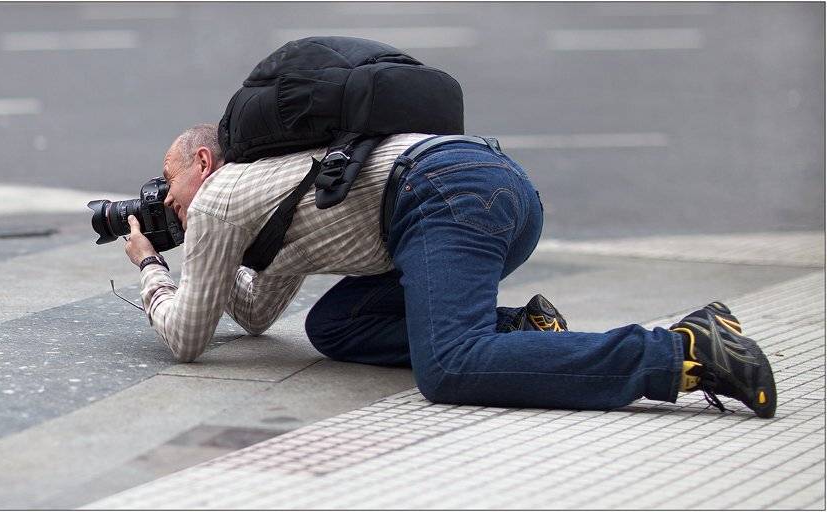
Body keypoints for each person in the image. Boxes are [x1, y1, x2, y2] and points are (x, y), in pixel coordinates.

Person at [122, 124, 776, 418]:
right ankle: (527, 332)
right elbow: (259, 312)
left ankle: (684, 352)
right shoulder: (269, 193)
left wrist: (153, 265)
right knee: (335, 325)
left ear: (203, 161)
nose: (163, 194)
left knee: (450, 365)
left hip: (444, 198)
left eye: (169, 177)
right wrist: (209, 258)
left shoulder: (222, 199)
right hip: (492, 190)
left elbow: (187, 340)